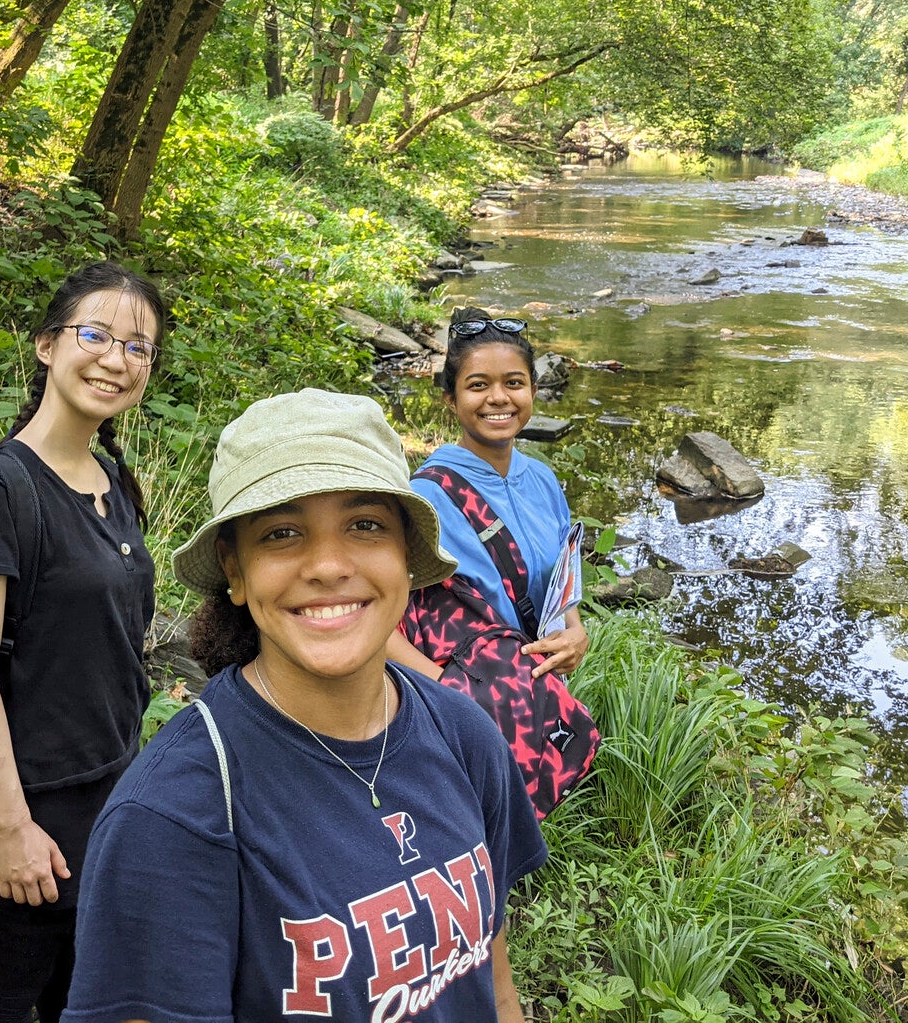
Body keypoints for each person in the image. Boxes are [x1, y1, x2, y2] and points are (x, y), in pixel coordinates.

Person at [62, 388, 549, 1023]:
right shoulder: (176, 816)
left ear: (406, 554)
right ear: (235, 572)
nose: (326, 565)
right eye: (282, 533)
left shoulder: (462, 731)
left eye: (365, 525)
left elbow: (492, 978)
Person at [0, 262, 167, 1023]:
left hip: (109, 775)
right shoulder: (1, 491)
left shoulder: (108, 475)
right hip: (35, 792)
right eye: (96, 335)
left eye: (138, 347)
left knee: (82, 979)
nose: (116, 360)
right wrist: (14, 828)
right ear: (46, 345)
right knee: (18, 977)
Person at [388, 306, 589, 683]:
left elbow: (563, 583)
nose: (499, 398)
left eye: (514, 383)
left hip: (538, 695)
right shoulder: (424, 498)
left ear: (533, 389)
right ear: (450, 399)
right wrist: (450, 694)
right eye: (478, 385)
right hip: (461, 702)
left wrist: (575, 634)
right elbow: (377, 618)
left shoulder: (543, 481)